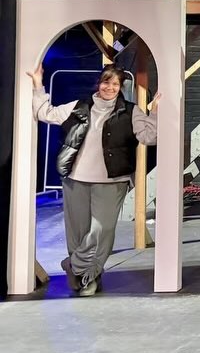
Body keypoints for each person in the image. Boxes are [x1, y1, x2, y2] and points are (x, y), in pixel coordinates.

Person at [28, 64, 159, 296]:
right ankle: (87, 279)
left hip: (113, 180)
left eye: (115, 84)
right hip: (75, 178)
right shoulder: (78, 107)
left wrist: (156, 113)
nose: (110, 87)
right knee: (78, 233)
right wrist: (38, 84)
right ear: (99, 83)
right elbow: (44, 113)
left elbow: (149, 137)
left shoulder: (131, 111)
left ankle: (75, 266)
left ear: (121, 88)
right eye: (106, 82)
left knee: (101, 231)